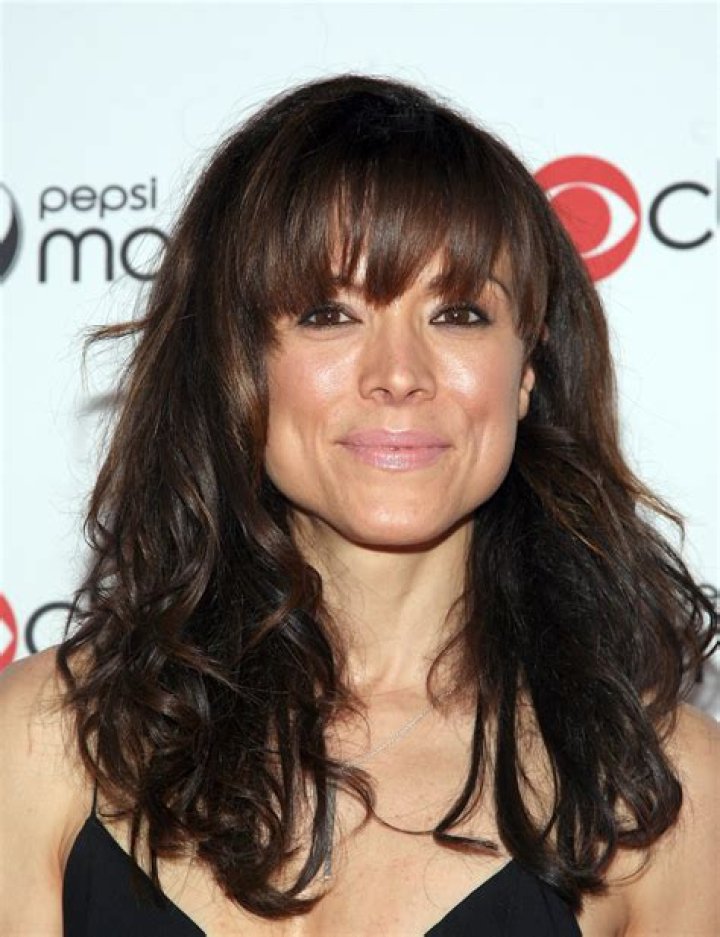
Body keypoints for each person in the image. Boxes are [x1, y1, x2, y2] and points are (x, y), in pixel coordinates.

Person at [0, 74, 717, 937]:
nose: (399, 374)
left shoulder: (664, 790)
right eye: (328, 312)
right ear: (235, 361)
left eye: (458, 313)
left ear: (527, 368)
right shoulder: (43, 737)